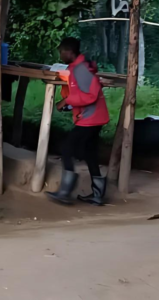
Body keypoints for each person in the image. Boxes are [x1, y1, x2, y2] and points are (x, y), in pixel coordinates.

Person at [47, 37, 110, 206]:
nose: (60, 55)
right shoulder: (78, 67)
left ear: (69, 52)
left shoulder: (80, 69)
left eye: (61, 52)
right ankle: (97, 195)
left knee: (67, 148)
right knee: (89, 153)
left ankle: (65, 192)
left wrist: (66, 101)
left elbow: (91, 95)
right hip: (93, 116)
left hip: (91, 118)